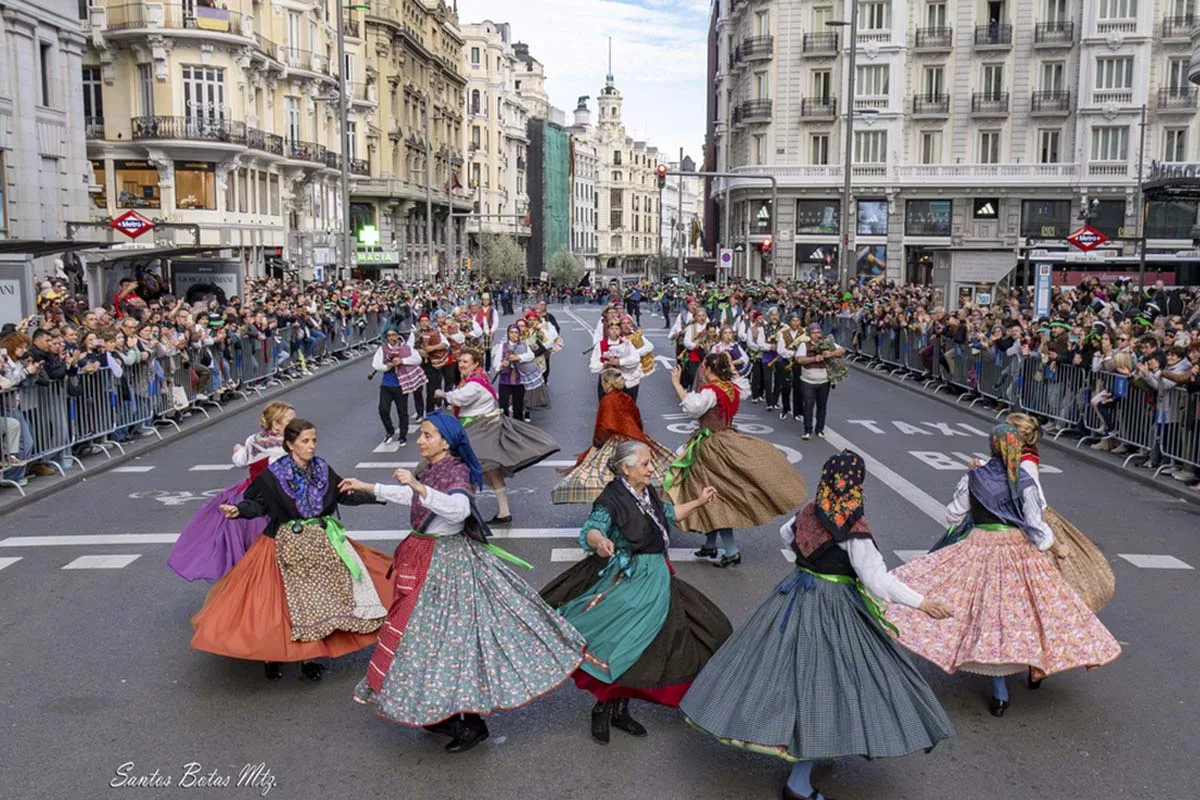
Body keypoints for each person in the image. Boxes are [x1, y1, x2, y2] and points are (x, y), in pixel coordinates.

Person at [680, 451, 956, 800]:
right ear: (857, 484)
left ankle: (809, 747)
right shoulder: (855, 530)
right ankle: (799, 782)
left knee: (783, 676)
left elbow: (786, 534)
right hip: (833, 608)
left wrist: (809, 557)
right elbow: (878, 582)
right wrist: (923, 603)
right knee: (823, 687)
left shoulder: (810, 510)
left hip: (794, 596)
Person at [341, 412, 585, 754]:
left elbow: (458, 510)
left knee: (449, 644)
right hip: (426, 561)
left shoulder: (454, 470)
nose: (420, 440)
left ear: (446, 441)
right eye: (421, 434)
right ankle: (442, 713)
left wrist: (418, 487)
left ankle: (467, 724)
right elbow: (416, 498)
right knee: (426, 641)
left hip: (446, 566)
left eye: (427, 435)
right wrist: (370, 487)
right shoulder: (430, 469)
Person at [885, 423, 1122, 717]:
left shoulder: (974, 475)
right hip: (1018, 551)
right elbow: (1036, 527)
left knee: (983, 614)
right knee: (1032, 613)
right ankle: (1036, 667)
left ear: (991, 446)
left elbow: (952, 514)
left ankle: (1000, 691)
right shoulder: (1024, 479)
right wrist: (1054, 545)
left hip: (979, 546)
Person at [541, 441, 733, 744]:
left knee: (659, 644)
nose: (651, 468)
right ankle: (603, 709)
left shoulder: (648, 493)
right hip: (629, 578)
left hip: (657, 577)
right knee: (621, 643)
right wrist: (600, 542)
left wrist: (698, 502)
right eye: (645, 464)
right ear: (626, 468)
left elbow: (668, 514)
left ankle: (620, 709)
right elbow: (592, 528)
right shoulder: (611, 498)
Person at [191, 418, 393, 681]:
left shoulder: (321, 468)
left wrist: (378, 494)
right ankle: (272, 655)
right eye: (305, 441)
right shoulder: (273, 475)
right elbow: (258, 504)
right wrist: (239, 510)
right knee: (279, 604)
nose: (311, 447)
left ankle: (309, 658)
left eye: (314, 441)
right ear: (290, 444)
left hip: (320, 542)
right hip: (283, 542)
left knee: (318, 602)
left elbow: (344, 493)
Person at [667, 353, 809, 567]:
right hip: (727, 438)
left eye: (704, 367)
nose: (702, 370)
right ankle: (710, 544)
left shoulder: (710, 391)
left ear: (708, 369)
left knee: (715, 497)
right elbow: (744, 387)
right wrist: (731, 369)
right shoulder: (731, 387)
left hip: (711, 446)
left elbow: (693, 408)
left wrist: (677, 384)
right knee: (709, 492)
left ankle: (731, 551)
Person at [167, 401, 294, 581]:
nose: (296, 424)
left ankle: (247, 580)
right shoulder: (284, 446)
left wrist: (238, 450)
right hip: (268, 499)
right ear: (276, 424)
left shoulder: (254, 440)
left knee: (241, 543)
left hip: (247, 493)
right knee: (268, 543)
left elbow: (241, 461)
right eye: (290, 421)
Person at [1005, 413, 1116, 614]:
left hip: (1026, 522)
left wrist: (1055, 544)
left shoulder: (1026, 463)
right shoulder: (1015, 456)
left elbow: (1034, 502)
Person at [436, 347, 560, 524]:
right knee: (490, 470)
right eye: (460, 361)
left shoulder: (474, 384)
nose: (461, 365)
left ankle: (463, 511)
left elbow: (459, 398)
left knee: (464, 466)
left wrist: (442, 394)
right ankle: (502, 512)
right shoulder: (473, 378)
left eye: (465, 362)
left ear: (476, 363)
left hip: (481, 428)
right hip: (477, 427)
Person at [552, 367, 675, 504]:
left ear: (607, 383)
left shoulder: (607, 400)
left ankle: (616, 502)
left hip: (615, 441)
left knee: (606, 475)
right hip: (633, 439)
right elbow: (637, 420)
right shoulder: (627, 397)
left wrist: (596, 446)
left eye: (602, 383)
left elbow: (603, 426)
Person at [372, 327, 426, 446]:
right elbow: (376, 364)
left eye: (394, 335)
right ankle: (390, 431)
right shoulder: (382, 349)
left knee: (402, 411)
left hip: (401, 384)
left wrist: (402, 360)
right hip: (387, 384)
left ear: (397, 336)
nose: (391, 338)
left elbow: (417, 359)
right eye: (389, 335)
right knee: (383, 409)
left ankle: (402, 436)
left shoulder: (405, 348)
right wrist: (387, 367)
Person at [793, 322, 846, 439]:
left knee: (822, 405)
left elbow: (842, 350)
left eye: (818, 332)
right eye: (814, 333)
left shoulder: (827, 343)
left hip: (824, 381)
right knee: (808, 405)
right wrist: (813, 358)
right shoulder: (804, 345)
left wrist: (831, 353)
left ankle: (820, 429)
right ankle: (807, 430)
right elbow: (800, 360)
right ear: (809, 335)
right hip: (808, 380)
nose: (817, 335)